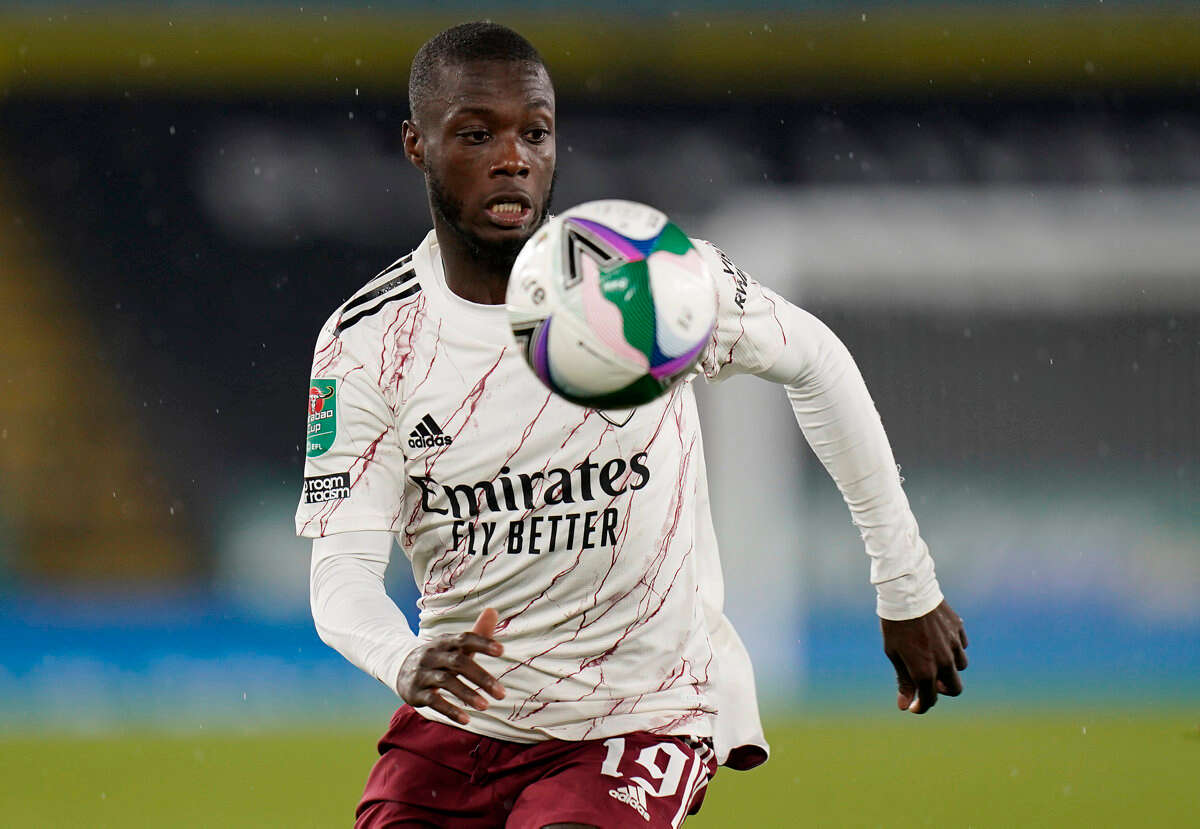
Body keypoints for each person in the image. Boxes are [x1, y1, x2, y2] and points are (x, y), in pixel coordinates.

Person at [296, 21, 968, 829]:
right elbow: (341, 575)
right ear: (417, 145)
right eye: (477, 135)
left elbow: (815, 360)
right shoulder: (370, 340)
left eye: (534, 133)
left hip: (638, 713)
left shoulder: (649, 278)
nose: (513, 159)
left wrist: (905, 582)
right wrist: (404, 658)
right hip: (465, 721)